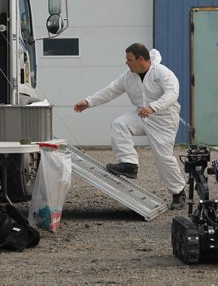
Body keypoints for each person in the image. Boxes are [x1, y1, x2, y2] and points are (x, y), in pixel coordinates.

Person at [74, 43, 186, 210]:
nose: (126, 63)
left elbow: (172, 94)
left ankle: (178, 193)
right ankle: (129, 164)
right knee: (120, 124)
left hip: (163, 119)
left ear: (141, 59)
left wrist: (154, 107)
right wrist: (88, 102)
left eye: (129, 59)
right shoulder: (129, 76)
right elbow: (110, 90)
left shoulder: (162, 72)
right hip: (142, 114)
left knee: (163, 158)